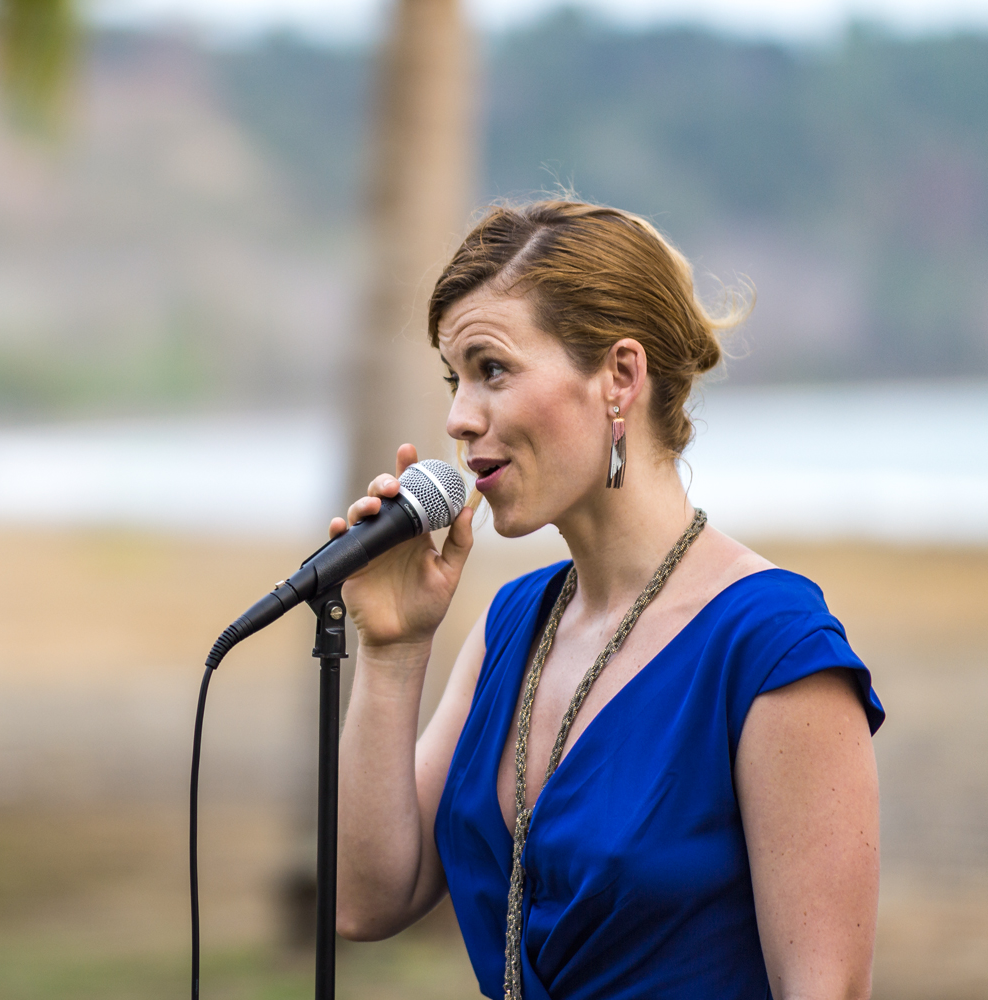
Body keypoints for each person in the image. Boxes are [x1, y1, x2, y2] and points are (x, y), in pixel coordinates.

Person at [332, 200, 884, 1000]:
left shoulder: (774, 649)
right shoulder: (512, 625)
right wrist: (392, 650)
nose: (458, 416)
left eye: (492, 369)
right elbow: (367, 900)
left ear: (620, 376)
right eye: (454, 378)